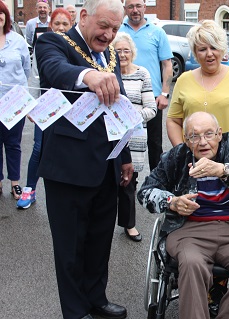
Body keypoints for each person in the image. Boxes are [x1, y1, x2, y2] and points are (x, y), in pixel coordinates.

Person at [35, 0, 133, 318]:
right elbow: (54, 70)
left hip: (107, 166)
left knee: (99, 241)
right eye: (104, 26)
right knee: (70, 248)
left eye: (115, 29)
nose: (108, 34)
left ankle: (96, 298)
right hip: (68, 167)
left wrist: (126, 157)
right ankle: (75, 311)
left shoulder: (112, 54)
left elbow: (116, 108)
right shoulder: (55, 41)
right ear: (84, 16)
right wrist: (88, 75)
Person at [138, 111, 229, 319]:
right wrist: (172, 202)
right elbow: (145, 191)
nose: (202, 142)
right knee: (191, 263)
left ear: (219, 134)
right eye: (194, 136)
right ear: (187, 140)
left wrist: (223, 170)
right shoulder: (177, 156)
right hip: (188, 229)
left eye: (209, 134)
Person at [166, 20, 229, 156]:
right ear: (195, 52)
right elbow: (173, 121)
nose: (209, 54)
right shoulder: (184, 80)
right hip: (197, 164)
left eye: (214, 47)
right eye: (202, 49)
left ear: (222, 49)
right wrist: (183, 153)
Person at [18, 7, 72, 209]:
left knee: (66, 150)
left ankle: (65, 194)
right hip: (45, 106)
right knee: (39, 148)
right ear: (50, 25)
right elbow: (34, 77)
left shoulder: (75, 49)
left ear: (71, 26)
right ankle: (29, 189)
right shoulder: (43, 46)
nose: (60, 27)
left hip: (69, 109)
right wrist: (32, 106)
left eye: (64, 24)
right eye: (57, 23)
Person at [112, 32, 156, 241]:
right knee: (108, 181)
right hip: (110, 135)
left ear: (133, 53)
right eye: (117, 50)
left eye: (126, 50)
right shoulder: (108, 74)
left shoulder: (142, 74)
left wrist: (130, 116)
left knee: (129, 182)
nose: (122, 54)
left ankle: (129, 224)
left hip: (134, 136)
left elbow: (152, 109)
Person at [120, 0, 173, 171]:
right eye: (130, 7)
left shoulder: (157, 32)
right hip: (123, 98)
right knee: (124, 142)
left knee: (155, 144)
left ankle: (156, 184)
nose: (135, 10)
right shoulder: (117, 32)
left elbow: (167, 64)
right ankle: (128, 185)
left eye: (138, 6)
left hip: (152, 98)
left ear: (144, 7)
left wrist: (164, 93)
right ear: (125, 8)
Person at [0, 0, 30, 199]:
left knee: (13, 143)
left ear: (5, 16)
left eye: (0, 13)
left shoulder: (17, 40)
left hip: (14, 102)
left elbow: (26, 68)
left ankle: (15, 182)